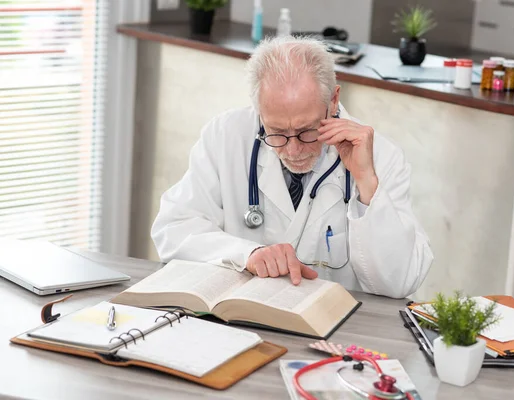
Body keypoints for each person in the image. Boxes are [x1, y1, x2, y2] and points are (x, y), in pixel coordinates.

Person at [151, 36, 433, 299]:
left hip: (341, 332)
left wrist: (367, 183)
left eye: (307, 131)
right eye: (276, 131)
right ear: (258, 109)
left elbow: (401, 282)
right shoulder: (226, 135)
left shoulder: (383, 156)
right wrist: (247, 254)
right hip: (247, 315)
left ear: (333, 100)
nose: (293, 149)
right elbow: (173, 230)